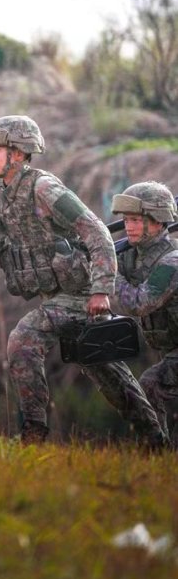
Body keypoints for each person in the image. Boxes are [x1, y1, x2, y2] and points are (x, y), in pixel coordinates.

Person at [0, 115, 168, 448]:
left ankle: (34, 432)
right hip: (54, 297)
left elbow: (97, 232)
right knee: (108, 375)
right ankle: (156, 442)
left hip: (79, 296)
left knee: (23, 339)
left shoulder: (44, 188)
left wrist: (101, 289)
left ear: (18, 153)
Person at [111, 182, 178, 443]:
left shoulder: (171, 262)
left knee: (151, 382)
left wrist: (109, 275)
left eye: (137, 220)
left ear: (159, 222)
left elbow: (140, 303)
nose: (129, 226)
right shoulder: (133, 255)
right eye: (127, 220)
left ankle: (156, 452)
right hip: (171, 350)